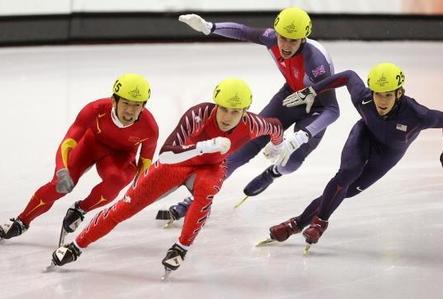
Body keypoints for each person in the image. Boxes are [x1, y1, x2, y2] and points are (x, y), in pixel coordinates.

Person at [50, 78, 284, 274]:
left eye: (235, 112)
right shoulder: (199, 114)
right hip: (178, 163)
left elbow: (275, 127)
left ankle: (181, 247)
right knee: (126, 207)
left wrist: (276, 147)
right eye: (223, 109)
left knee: (206, 192)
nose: (227, 117)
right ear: (215, 105)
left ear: (245, 112)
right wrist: (207, 145)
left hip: (210, 168)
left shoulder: (252, 124)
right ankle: (76, 246)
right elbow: (166, 155)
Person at [161, 7, 339, 222]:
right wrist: (210, 28)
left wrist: (302, 135)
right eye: (283, 38)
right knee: (244, 145)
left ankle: (272, 173)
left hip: (317, 109)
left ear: (304, 38)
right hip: (291, 95)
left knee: (291, 162)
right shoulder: (272, 39)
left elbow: (332, 109)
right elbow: (244, 31)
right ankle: (197, 200)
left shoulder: (316, 64)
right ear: (277, 33)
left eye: (293, 40)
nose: (286, 45)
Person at [265, 62, 443, 249]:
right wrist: (313, 90)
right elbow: (349, 76)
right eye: (377, 93)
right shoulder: (364, 98)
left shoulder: (418, 115)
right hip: (364, 135)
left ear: (399, 93)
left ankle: (296, 223)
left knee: (349, 190)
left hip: (389, 153)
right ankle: (318, 223)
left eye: (388, 95)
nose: (382, 101)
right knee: (346, 174)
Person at [0, 73, 159, 243]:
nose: (129, 111)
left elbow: (144, 166)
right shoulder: (95, 109)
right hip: (89, 146)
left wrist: (136, 192)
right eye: (125, 103)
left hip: (119, 157)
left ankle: (81, 210)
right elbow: (68, 142)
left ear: (143, 106)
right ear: (114, 101)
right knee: (59, 187)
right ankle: (21, 221)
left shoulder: (150, 128)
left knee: (117, 179)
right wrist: (62, 170)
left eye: (136, 105)